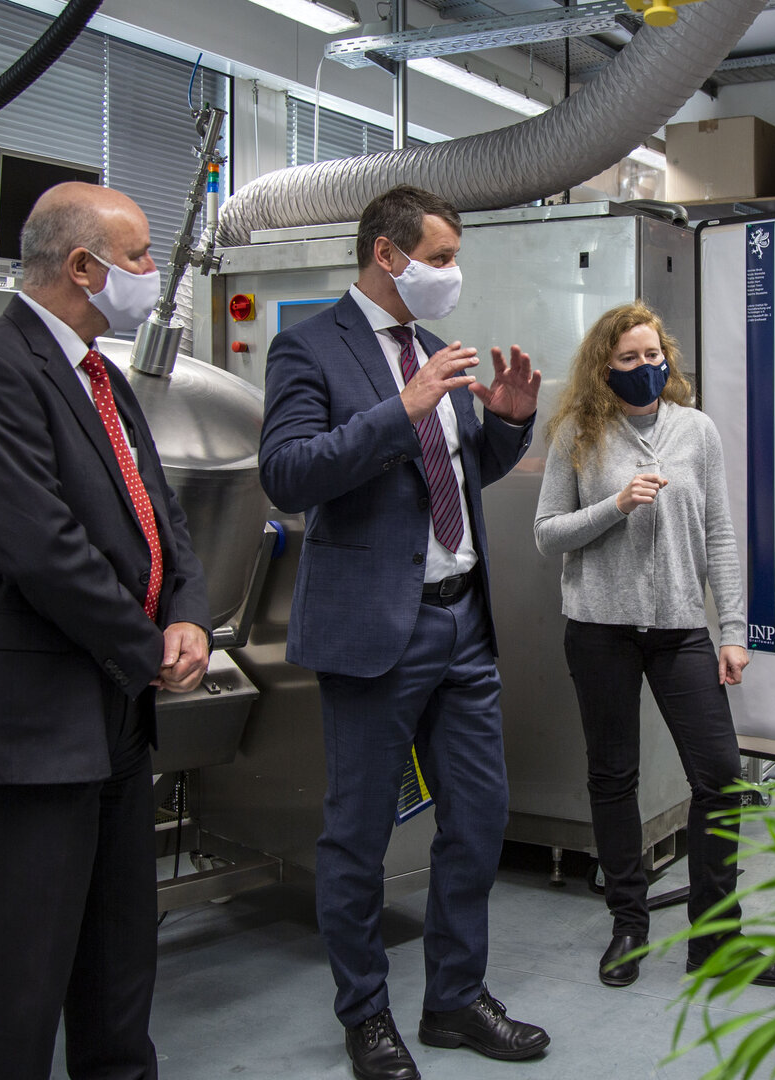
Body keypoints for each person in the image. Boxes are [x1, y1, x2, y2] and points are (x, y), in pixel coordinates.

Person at [258, 185, 547, 1080]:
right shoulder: (307, 348)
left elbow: (455, 474)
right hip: (374, 632)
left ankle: (455, 999)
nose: (453, 273)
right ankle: (366, 1016)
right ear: (389, 255)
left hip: (462, 619)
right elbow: (288, 473)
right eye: (443, 255)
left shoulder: (432, 351)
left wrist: (502, 422)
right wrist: (403, 408)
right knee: (359, 834)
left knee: (479, 816)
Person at [0, 182, 211, 1079]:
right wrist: (147, 651)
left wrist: (190, 615)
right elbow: (42, 551)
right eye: (137, 257)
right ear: (83, 267)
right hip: (34, 724)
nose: (151, 275)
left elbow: (160, 519)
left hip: (117, 716)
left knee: (120, 961)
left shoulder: (103, 376)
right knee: (27, 980)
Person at [532, 302, 775, 991]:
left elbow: (720, 535)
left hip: (680, 629)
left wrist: (733, 631)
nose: (647, 368)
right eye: (629, 359)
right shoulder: (576, 433)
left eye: (655, 356)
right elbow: (547, 534)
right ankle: (629, 925)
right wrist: (614, 505)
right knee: (613, 777)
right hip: (600, 630)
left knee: (721, 775)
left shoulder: (696, 430)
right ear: (604, 366)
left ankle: (717, 940)